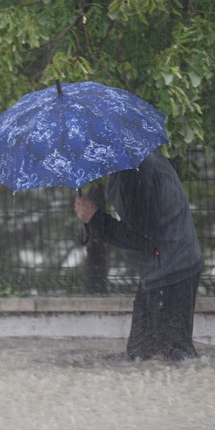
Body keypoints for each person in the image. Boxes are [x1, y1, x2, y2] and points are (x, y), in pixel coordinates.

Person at [74, 150, 203, 361]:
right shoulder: (142, 157)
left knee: (175, 359)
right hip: (169, 267)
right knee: (141, 358)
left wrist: (95, 218)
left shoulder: (132, 174)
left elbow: (140, 238)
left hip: (168, 273)